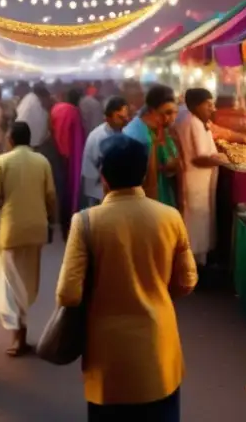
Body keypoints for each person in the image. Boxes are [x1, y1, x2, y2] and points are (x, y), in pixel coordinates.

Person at [56, 134, 197, 421]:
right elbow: (187, 281)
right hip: (158, 344)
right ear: (144, 174)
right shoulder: (170, 217)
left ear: (103, 176)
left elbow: (68, 293)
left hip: (107, 351)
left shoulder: (86, 222)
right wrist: (155, 291)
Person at [0, 122, 56, 356]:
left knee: (9, 283)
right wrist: (51, 224)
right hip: (35, 230)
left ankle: (17, 336)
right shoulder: (42, 161)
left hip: (11, 230)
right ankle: (21, 332)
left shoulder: (3, 162)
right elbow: (51, 197)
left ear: (10, 139)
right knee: (27, 279)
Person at [174, 88, 229, 265]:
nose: (212, 109)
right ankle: (194, 267)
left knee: (198, 221)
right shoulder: (192, 122)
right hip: (195, 181)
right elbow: (199, 158)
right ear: (197, 105)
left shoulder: (194, 119)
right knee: (196, 223)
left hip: (199, 181)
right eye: (208, 105)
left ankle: (197, 263)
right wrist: (223, 160)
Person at [123, 84, 184, 209]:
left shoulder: (161, 128)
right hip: (145, 204)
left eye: (174, 113)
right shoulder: (139, 136)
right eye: (167, 113)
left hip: (163, 197)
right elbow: (144, 181)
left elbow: (171, 161)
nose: (172, 118)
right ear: (151, 111)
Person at [80, 97, 130, 209]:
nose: (125, 120)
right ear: (108, 118)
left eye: (126, 116)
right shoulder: (100, 137)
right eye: (120, 117)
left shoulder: (122, 131)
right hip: (98, 191)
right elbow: (104, 171)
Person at [51, 88, 86, 236]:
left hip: (54, 151)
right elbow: (74, 136)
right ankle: (68, 224)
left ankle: (59, 221)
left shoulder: (57, 108)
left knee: (58, 188)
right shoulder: (73, 112)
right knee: (70, 189)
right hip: (70, 156)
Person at [16, 82, 51, 148]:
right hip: (32, 145)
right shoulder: (34, 104)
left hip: (23, 142)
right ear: (44, 97)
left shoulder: (28, 100)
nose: (49, 103)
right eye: (48, 99)